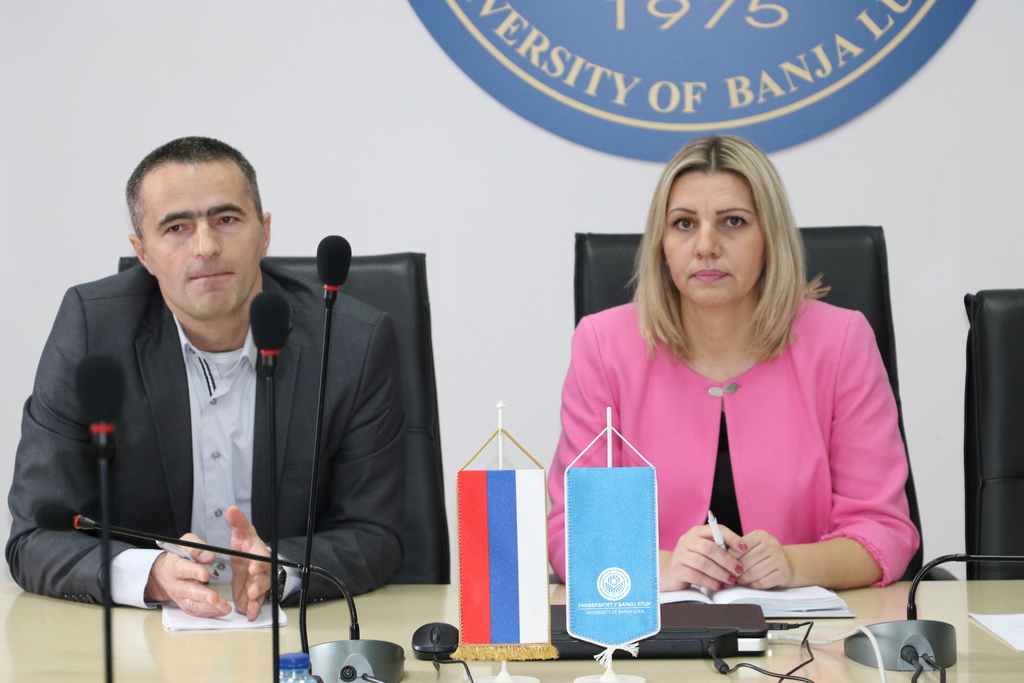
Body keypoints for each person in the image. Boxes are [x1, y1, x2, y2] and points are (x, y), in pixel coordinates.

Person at [6, 137, 406, 619]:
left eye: (227, 219)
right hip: (143, 639)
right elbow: (36, 536)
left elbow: (375, 533)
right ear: (143, 252)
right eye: (176, 227)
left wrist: (280, 568)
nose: (206, 247)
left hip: (293, 630)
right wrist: (150, 574)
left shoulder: (350, 343)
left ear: (265, 232)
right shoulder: (92, 331)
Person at [547, 135, 919, 592]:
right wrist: (665, 568)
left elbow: (883, 531)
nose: (706, 246)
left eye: (733, 222)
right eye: (684, 223)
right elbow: (575, 534)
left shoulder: (841, 342)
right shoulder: (605, 346)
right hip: (656, 628)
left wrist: (793, 564)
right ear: (661, 243)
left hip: (813, 630)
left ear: (770, 239)